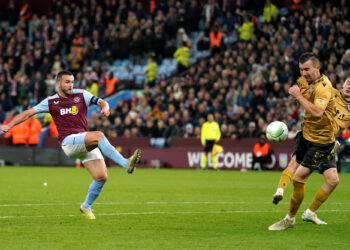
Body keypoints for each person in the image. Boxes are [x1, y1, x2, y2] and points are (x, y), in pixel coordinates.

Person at [1, 71, 141, 220]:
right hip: (69, 142)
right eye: (67, 82)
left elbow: (101, 101)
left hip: (83, 141)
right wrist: (10, 125)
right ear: (58, 84)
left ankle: (86, 206)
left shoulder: (81, 95)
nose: (70, 85)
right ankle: (125, 163)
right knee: (99, 135)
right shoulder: (51, 101)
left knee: (101, 177)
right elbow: (28, 113)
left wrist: (105, 107)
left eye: (72, 82)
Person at [268, 52, 338, 230]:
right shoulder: (302, 81)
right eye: (301, 70)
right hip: (306, 134)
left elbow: (317, 112)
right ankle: (288, 197)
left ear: (317, 67)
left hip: (321, 142)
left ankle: (289, 219)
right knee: (301, 167)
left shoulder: (324, 86)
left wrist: (298, 96)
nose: (304, 73)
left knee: (298, 178)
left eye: (307, 69)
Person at [272, 76, 350, 204]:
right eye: (348, 83)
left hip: (326, 144)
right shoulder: (329, 92)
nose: (349, 86)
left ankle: (310, 213)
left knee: (333, 180)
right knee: (296, 167)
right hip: (310, 135)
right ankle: (280, 190)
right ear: (343, 84)